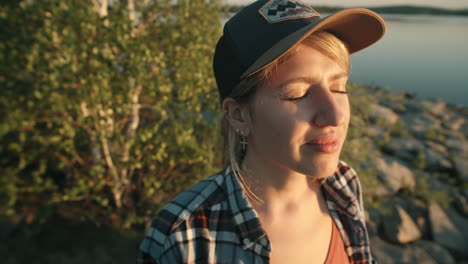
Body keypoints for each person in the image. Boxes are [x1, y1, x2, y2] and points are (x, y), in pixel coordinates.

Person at [137, 0, 385, 263]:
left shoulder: (343, 185)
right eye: (298, 94)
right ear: (239, 115)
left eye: (339, 88)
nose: (334, 116)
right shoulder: (183, 238)